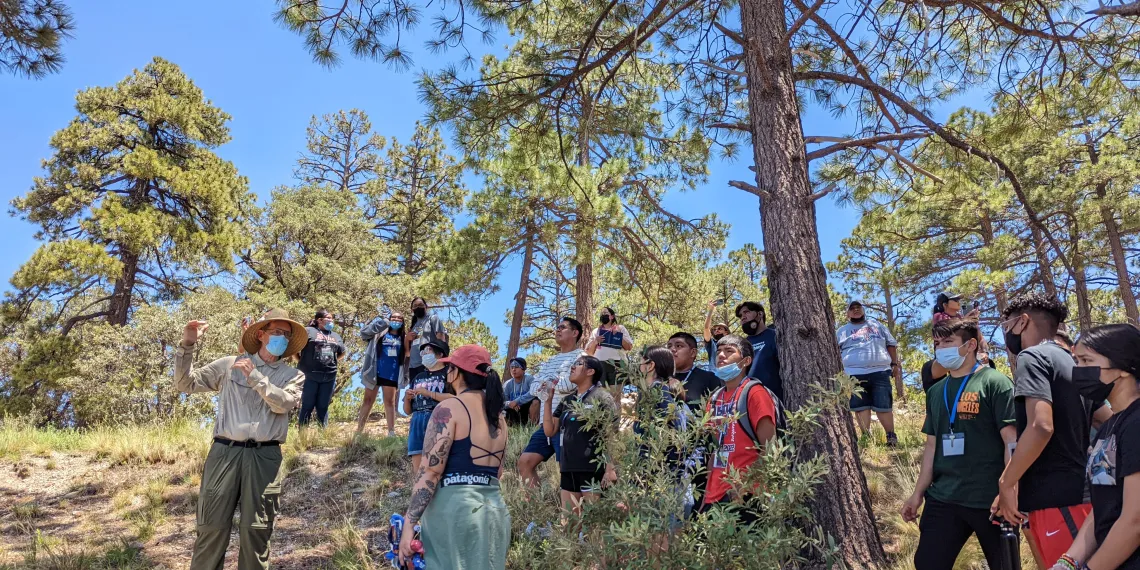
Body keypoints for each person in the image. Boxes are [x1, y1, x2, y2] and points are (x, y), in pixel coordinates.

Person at [174, 309, 306, 570]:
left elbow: (284, 404)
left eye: (286, 335)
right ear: (260, 335)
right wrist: (187, 344)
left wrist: (255, 377)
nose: (282, 339)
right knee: (211, 526)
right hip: (225, 453)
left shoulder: (294, 376)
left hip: (265, 457)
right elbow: (185, 384)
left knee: (255, 531)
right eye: (276, 333)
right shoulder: (229, 364)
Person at [992, 292, 1114, 569]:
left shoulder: (1031, 357)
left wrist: (1007, 481)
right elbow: (1107, 420)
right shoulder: (1073, 363)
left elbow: (1041, 426)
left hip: (1056, 502)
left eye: (1008, 324)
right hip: (1085, 498)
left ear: (1022, 322)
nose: (1006, 332)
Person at [901, 319, 1019, 570]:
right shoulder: (936, 391)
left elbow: (1012, 443)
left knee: (1006, 565)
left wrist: (1008, 490)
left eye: (948, 342)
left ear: (970, 345)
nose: (941, 348)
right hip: (943, 498)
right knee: (927, 563)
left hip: (990, 501)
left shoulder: (996, 383)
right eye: (937, 343)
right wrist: (917, 493)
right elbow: (931, 447)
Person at [398, 345, 510, 570]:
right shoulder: (498, 418)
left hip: (455, 512)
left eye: (449, 367)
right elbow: (498, 472)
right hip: (495, 512)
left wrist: (409, 523)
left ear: (456, 372)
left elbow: (430, 471)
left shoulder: (449, 408)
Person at [1055, 324, 1140, 570]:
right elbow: (1104, 506)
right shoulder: (1108, 427)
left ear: (1123, 368)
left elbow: (1135, 520)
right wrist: (1068, 563)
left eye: (1086, 360)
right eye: (1077, 360)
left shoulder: (1136, 424)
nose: (1078, 370)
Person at [697, 334, 783, 523]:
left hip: (750, 495)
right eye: (718, 351)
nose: (721, 355)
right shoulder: (714, 398)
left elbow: (770, 449)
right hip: (716, 495)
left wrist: (743, 489)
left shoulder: (755, 393)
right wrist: (706, 493)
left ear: (746, 361)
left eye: (729, 351)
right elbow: (717, 448)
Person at [542, 354, 619, 515]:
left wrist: (610, 468)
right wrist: (547, 401)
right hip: (568, 468)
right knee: (570, 523)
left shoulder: (602, 397)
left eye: (579, 363)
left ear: (591, 371)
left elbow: (611, 435)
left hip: (592, 469)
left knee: (594, 524)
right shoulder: (567, 400)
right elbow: (550, 430)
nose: (573, 366)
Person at [517, 317, 585, 487]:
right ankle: (536, 507)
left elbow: (567, 385)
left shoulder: (581, 356)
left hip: (566, 423)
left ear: (575, 333)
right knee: (525, 462)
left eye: (562, 327)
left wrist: (547, 383)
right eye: (557, 328)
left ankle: (571, 510)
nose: (557, 330)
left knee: (567, 470)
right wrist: (550, 383)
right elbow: (533, 389)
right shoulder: (549, 361)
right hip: (544, 424)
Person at [837, 301, 904, 446]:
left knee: (884, 405)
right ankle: (867, 437)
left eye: (858, 308)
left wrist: (894, 364)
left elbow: (891, 344)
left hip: (880, 371)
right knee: (861, 406)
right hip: (853, 374)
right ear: (847, 314)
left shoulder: (877, 326)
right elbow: (834, 351)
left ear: (863, 310)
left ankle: (891, 436)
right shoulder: (842, 331)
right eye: (852, 309)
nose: (856, 310)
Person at [404, 339, 454, 473]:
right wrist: (407, 399)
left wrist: (429, 393)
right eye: (422, 351)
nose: (424, 354)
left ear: (440, 354)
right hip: (417, 420)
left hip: (439, 418)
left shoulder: (449, 374)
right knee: (418, 466)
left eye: (428, 350)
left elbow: (454, 398)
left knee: (437, 463)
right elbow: (407, 410)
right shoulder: (418, 377)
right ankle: (418, 489)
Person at [358, 310, 405, 436]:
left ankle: (391, 432)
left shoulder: (403, 338)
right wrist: (383, 322)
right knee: (368, 400)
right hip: (374, 372)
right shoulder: (379, 334)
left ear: (403, 322)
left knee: (390, 402)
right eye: (393, 318)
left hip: (391, 374)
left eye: (399, 319)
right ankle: (359, 431)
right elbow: (363, 333)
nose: (396, 320)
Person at [296, 309, 346, 428]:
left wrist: (333, 361)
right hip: (310, 375)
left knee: (323, 406)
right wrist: (301, 361)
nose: (331, 320)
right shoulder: (308, 331)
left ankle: (323, 435)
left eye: (332, 318)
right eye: (328, 318)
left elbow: (342, 352)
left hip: (329, 376)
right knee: (307, 405)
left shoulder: (335, 335)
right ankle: (302, 435)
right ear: (319, 320)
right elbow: (296, 349)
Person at [735, 301, 782, 402]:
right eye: (740, 316)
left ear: (760, 314)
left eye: (746, 312)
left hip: (775, 401)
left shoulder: (776, 336)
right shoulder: (742, 344)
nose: (742, 317)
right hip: (749, 402)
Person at [666, 332, 723, 412]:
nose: (672, 349)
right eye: (669, 346)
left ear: (693, 353)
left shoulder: (709, 379)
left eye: (678, 346)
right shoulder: (660, 378)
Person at [405, 297, 448, 386]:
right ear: (412, 309)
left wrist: (439, 360)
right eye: (415, 306)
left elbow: (441, 339)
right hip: (413, 366)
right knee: (415, 396)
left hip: (428, 363)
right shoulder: (413, 326)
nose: (418, 307)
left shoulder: (433, 318)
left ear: (426, 307)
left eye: (421, 305)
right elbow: (408, 351)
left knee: (430, 394)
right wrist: (407, 338)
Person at [585, 306, 633, 385]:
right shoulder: (596, 331)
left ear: (612, 316)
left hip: (618, 364)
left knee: (616, 391)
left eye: (606, 313)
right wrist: (595, 341)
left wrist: (618, 335)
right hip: (600, 364)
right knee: (601, 391)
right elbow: (589, 353)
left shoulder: (620, 328)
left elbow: (629, 347)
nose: (603, 315)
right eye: (602, 314)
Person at [502, 357, 537, 426]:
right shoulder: (507, 384)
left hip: (527, 409)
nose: (513, 369)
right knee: (500, 411)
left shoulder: (529, 379)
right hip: (513, 411)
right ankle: (508, 431)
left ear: (523, 369)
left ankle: (532, 427)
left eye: (517, 367)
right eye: (512, 367)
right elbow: (502, 402)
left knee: (536, 402)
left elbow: (533, 392)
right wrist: (509, 403)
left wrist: (517, 401)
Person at [703, 299, 731, 371]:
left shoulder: (733, 344)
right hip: (714, 377)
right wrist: (711, 310)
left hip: (729, 377)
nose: (716, 330)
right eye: (714, 329)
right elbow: (706, 328)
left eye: (719, 328)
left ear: (726, 332)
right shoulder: (711, 344)